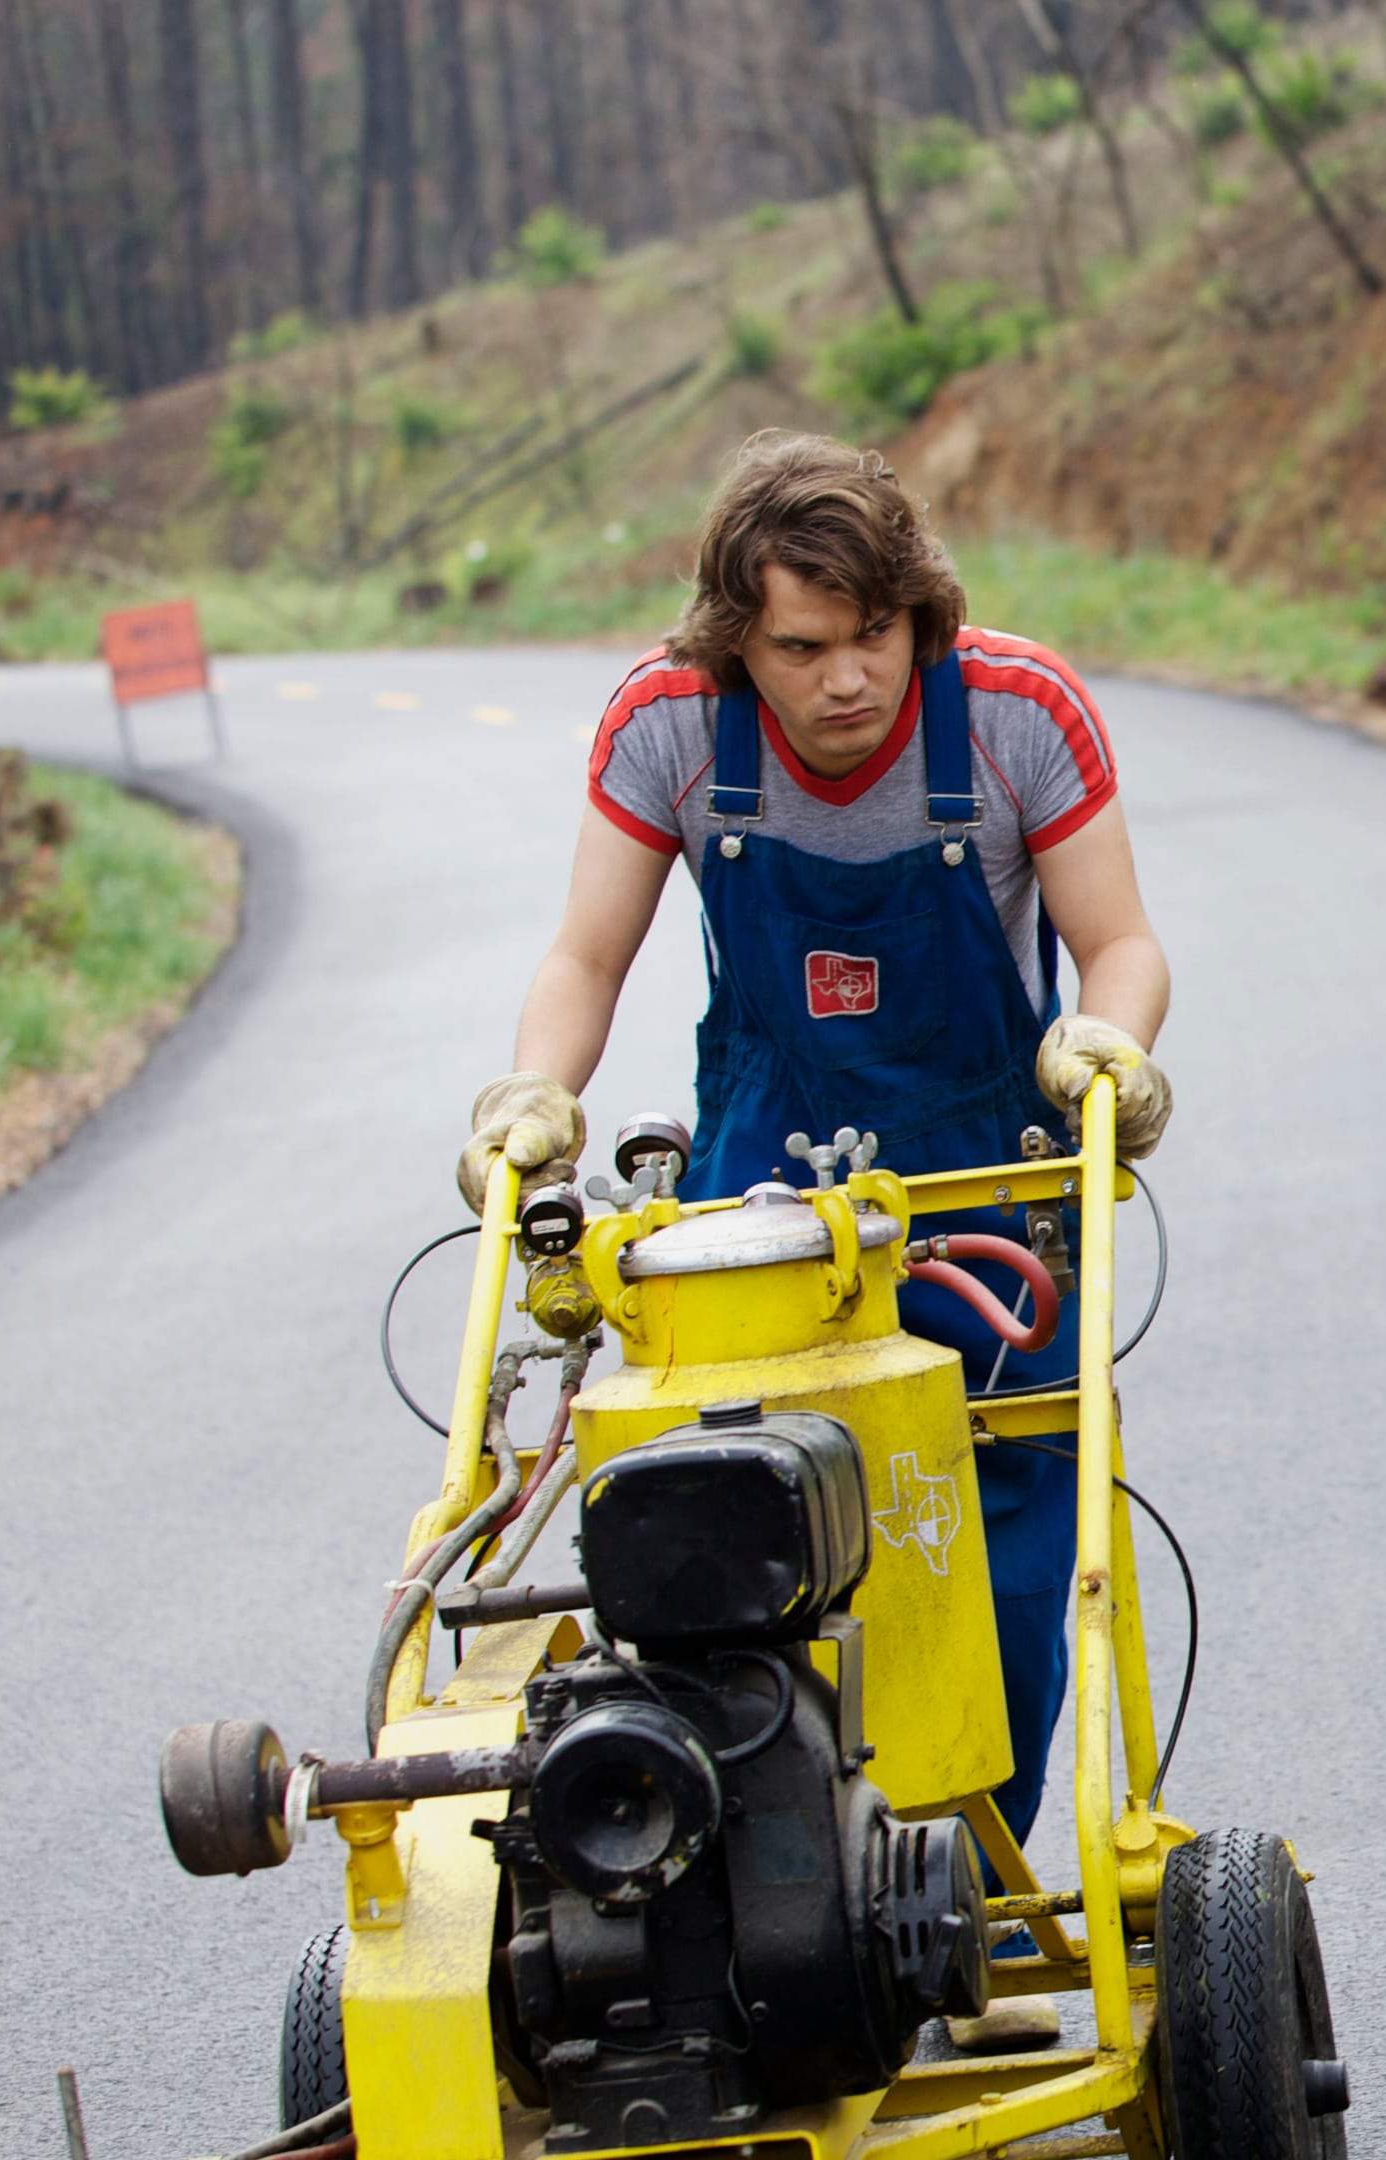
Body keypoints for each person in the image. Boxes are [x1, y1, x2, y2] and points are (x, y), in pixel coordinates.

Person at [457, 430, 1173, 2054]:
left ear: (920, 615)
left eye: (875, 636)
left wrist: (1106, 1051)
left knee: (986, 1554)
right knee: (727, 1539)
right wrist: (530, 1097)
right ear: (734, 640)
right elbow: (588, 951)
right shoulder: (666, 730)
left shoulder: (1015, 717)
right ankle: (756, 1902)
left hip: (984, 1204)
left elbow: (1118, 943)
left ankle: (968, 1904)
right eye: (801, 646)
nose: (847, 678)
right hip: (756, 1216)